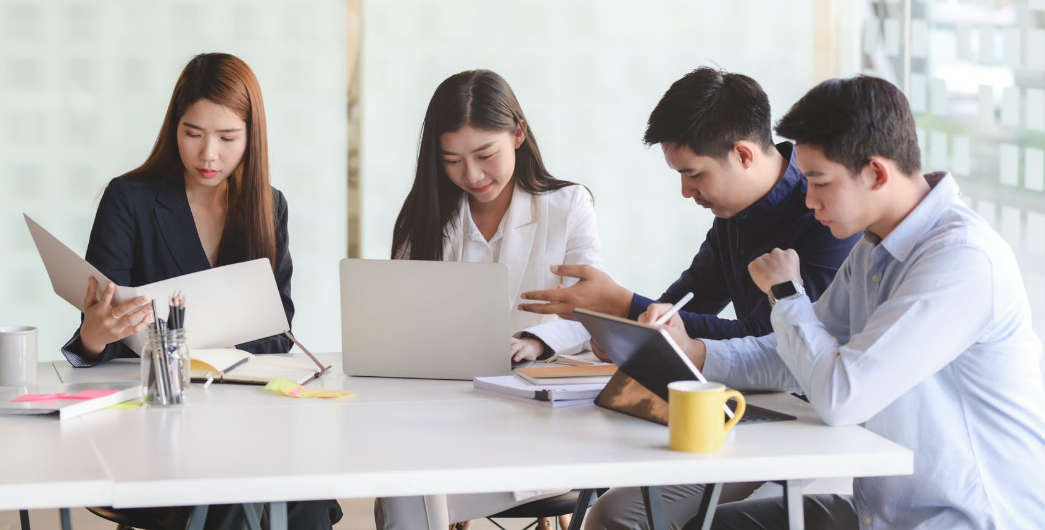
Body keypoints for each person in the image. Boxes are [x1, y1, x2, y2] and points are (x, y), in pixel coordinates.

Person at [638, 75, 1045, 529]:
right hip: (880, 514)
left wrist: (787, 293)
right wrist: (696, 351)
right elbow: (797, 353)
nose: (809, 200)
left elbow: (841, 397)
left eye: (820, 182)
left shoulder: (961, 260)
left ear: (875, 173)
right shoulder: (875, 247)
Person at [518, 68, 860, 530]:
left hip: (800, 424)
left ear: (742, 154)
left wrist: (625, 305)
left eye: (693, 174)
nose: (685, 191)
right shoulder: (733, 215)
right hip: (747, 406)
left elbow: (777, 344)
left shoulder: (825, 217)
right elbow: (685, 302)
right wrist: (634, 328)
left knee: (616, 516)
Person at [61, 52, 341, 530]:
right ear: (174, 129)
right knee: (232, 487)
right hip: (155, 423)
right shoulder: (130, 199)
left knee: (297, 485)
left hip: (243, 414)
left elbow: (279, 333)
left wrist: (234, 347)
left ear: (252, 138)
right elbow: (97, 344)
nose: (208, 154)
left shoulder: (268, 207)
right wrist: (93, 334)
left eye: (228, 138)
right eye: (193, 134)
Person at [377, 69, 603, 528]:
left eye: (485, 155)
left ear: (518, 134)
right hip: (444, 408)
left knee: (418, 489)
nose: (472, 175)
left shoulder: (568, 205)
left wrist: (535, 341)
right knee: (407, 473)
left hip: (535, 411)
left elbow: (591, 310)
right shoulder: (422, 217)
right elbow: (402, 320)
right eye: (452, 160)